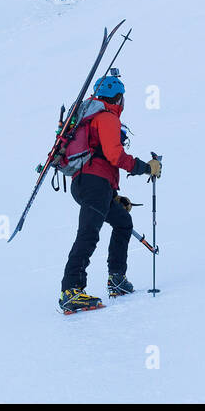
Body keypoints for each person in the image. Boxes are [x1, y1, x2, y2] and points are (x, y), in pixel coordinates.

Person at [57, 72, 161, 312]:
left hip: (87, 183)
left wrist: (112, 195)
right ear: (118, 98)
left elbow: (101, 156)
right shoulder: (106, 118)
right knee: (89, 233)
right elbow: (115, 156)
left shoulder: (90, 117)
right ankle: (71, 289)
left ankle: (117, 279)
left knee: (123, 222)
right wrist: (146, 168)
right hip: (95, 182)